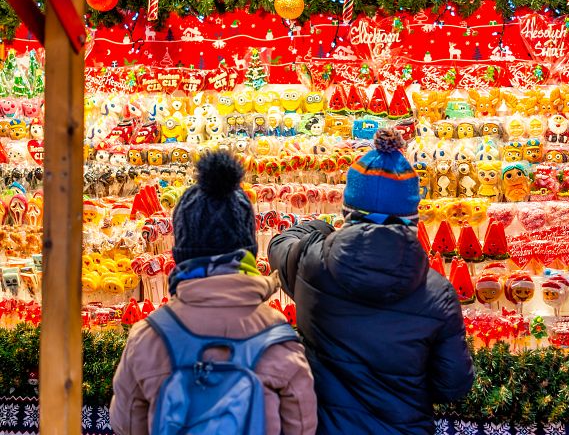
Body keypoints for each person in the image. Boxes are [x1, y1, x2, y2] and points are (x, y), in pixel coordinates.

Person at [268, 128, 474, 434]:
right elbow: (452, 384)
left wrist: (320, 228)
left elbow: (279, 245)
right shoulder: (437, 292)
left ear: (349, 209)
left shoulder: (312, 264)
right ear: (412, 215)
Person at [110, 151, 317, 435]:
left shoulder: (149, 336)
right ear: (249, 251)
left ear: (181, 250)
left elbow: (127, 425)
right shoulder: (277, 336)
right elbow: (302, 425)